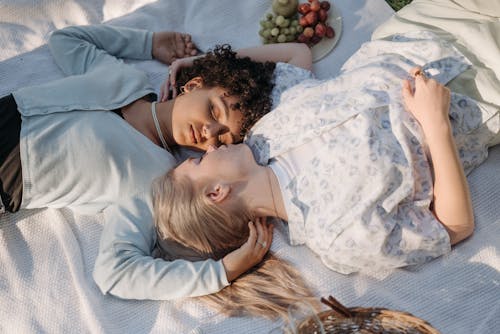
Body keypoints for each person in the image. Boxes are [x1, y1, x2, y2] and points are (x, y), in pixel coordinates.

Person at [153, 31, 500, 318]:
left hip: (421, 32)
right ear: (216, 193)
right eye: (197, 162)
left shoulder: (263, 133)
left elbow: (294, 57)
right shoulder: (337, 234)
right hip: (481, 89)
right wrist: (434, 123)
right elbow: (453, 227)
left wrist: (200, 64)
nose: (210, 147)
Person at [0, 24, 314, 299]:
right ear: (193, 85)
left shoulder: (154, 179)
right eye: (215, 112)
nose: (208, 134)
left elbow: (115, 271)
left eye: (221, 139)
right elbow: (66, 39)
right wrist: (151, 43)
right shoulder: (127, 79)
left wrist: (221, 273)